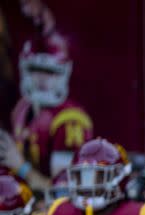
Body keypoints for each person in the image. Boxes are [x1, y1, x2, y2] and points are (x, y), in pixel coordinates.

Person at [3, 31, 93, 192]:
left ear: (63, 72)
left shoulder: (70, 120)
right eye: (36, 69)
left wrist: (20, 167)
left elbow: (63, 192)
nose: (42, 78)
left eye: (50, 71)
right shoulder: (22, 108)